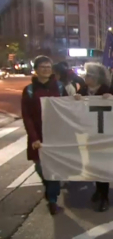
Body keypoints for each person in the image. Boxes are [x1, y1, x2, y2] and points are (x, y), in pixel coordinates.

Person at [21, 55, 68, 215]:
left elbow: (69, 108)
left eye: (48, 67)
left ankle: (52, 199)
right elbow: (26, 115)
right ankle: (50, 188)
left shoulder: (60, 87)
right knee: (41, 167)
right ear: (36, 70)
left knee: (53, 169)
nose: (46, 70)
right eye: (43, 67)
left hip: (56, 135)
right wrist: (34, 137)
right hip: (38, 134)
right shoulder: (29, 90)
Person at [74, 63, 112, 212]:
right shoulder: (83, 91)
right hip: (89, 135)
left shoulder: (107, 91)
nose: (85, 77)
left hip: (105, 136)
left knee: (103, 165)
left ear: (96, 78)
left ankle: (104, 196)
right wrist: (75, 99)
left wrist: (111, 98)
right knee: (92, 163)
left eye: (88, 75)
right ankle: (98, 189)